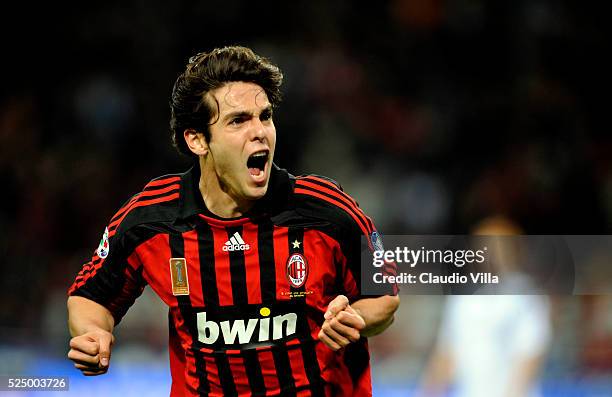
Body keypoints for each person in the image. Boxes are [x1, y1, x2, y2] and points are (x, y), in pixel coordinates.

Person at [67, 45, 399, 397]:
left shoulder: (327, 210)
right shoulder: (151, 219)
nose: (260, 132)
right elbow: (90, 296)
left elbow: (385, 297)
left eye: (265, 116)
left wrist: (358, 318)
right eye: (238, 120)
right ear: (196, 139)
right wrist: (92, 333)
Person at [418, 215, 551, 397]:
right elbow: (446, 353)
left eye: (498, 245)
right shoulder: (462, 299)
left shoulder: (526, 297)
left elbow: (530, 354)